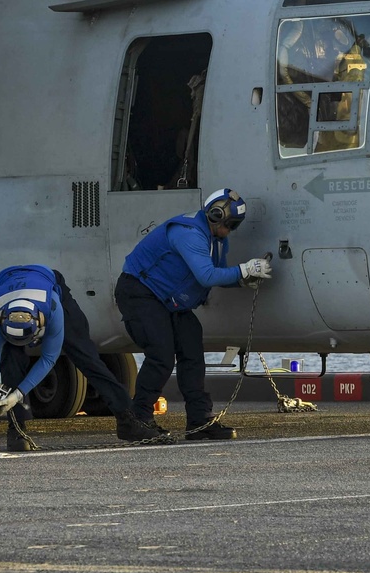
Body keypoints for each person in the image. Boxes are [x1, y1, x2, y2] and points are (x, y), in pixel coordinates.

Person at [114, 188, 272, 440]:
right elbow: (206, 275)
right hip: (141, 293)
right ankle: (136, 419)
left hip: (168, 300)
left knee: (192, 350)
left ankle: (198, 421)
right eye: (230, 224)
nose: (230, 230)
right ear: (215, 214)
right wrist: (243, 270)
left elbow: (216, 274)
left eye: (235, 226)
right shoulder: (188, 233)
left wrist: (242, 280)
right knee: (161, 354)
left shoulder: (217, 239)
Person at [0, 265, 161, 452]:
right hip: (4, 284)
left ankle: (128, 419)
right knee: (11, 361)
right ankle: (17, 430)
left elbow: (49, 359)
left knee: (86, 355)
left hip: (48, 282)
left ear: (40, 325)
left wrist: (18, 394)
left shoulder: (52, 309)